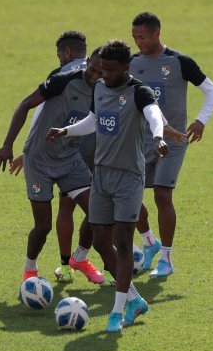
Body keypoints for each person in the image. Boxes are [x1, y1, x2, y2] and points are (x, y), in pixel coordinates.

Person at [47, 39, 184, 332]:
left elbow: (153, 116)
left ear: (126, 67)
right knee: (99, 240)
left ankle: (117, 312)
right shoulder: (99, 89)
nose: (104, 75)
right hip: (102, 175)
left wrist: (159, 137)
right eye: (102, 70)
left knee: (122, 243)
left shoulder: (139, 92)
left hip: (129, 178)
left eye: (111, 70)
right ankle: (134, 299)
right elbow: (94, 121)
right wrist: (67, 130)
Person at [0, 46, 106, 284]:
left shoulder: (105, 90)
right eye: (93, 69)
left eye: (102, 73)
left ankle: (81, 259)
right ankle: (29, 270)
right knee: (42, 226)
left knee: (100, 214)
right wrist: (8, 145)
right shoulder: (63, 81)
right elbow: (25, 105)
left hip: (70, 160)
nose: (95, 76)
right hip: (39, 161)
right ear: (87, 61)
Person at [129, 11, 213, 277]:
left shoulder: (179, 62)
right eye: (134, 37)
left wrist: (201, 120)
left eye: (142, 36)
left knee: (162, 194)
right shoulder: (132, 63)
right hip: (141, 140)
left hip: (174, 140)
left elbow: (211, 90)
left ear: (157, 32)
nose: (138, 42)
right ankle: (149, 242)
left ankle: (166, 259)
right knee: (130, 195)